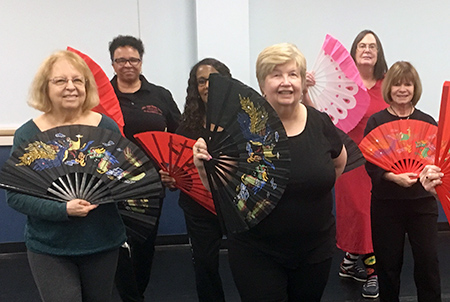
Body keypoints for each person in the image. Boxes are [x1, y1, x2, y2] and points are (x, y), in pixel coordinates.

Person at [194, 43, 347, 301]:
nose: (286, 82)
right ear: (262, 84)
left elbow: (338, 163)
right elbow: (219, 186)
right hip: (257, 250)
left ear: (302, 82)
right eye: (276, 75)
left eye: (293, 74)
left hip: (315, 249)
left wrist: (310, 186)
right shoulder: (240, 128)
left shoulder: (320, 122)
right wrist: (202, 166)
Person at [6, 50, 127, 301]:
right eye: (60, 81)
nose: (70, 87)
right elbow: (16, 197)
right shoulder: (28, 134)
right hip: (50, 246)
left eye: (78, 80)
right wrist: (63, 210)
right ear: (45, 88)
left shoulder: (107, 128)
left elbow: (123, 179)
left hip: (103, 241)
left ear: (86, 86)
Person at [109, 35, 181, 302]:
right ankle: (129, 296)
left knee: (143, 245)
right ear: (113, 63)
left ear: (141, 61)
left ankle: (137, 292)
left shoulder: (160, 95)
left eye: (133, 59)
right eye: (121, 60)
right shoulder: (100, 97)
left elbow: (178, 136)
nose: (128, 65)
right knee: (115, 243)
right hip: (110, 184)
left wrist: (172, 170)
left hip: (150, 184)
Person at [364, 61, 441, 302]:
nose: (402, 89)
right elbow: (370, 163)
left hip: (423, 204)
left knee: (428, 264)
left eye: (407, 83)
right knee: (388, 265)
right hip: (387, 203)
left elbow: (437, 161)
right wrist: (391, 176)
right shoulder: (376, 122)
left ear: (414, 87)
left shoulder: (428, 122)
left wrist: (429, 174)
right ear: (389, 88)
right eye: (396, 83)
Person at [160, 58, 232, 301]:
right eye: (201, 81)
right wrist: (170, 179)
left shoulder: (242, 121)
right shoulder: (186, 126)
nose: (207, 86)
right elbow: (177, 168)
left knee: (247, 262)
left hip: (236, 205)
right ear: (195, 87)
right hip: (197, 206)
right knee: (204, 264)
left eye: (213, 80)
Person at [333, 30, 388, 299]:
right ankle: (372, 273)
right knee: (359, 214)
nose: (367, 49)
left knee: (372, 215)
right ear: (354, 52)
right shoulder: (342, 84)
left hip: (380, 163)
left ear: (379, 53)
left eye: (372, 46)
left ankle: (348, 261)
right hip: (350, 160)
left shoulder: (388, 83)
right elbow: (323, 115)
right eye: (362, 45)